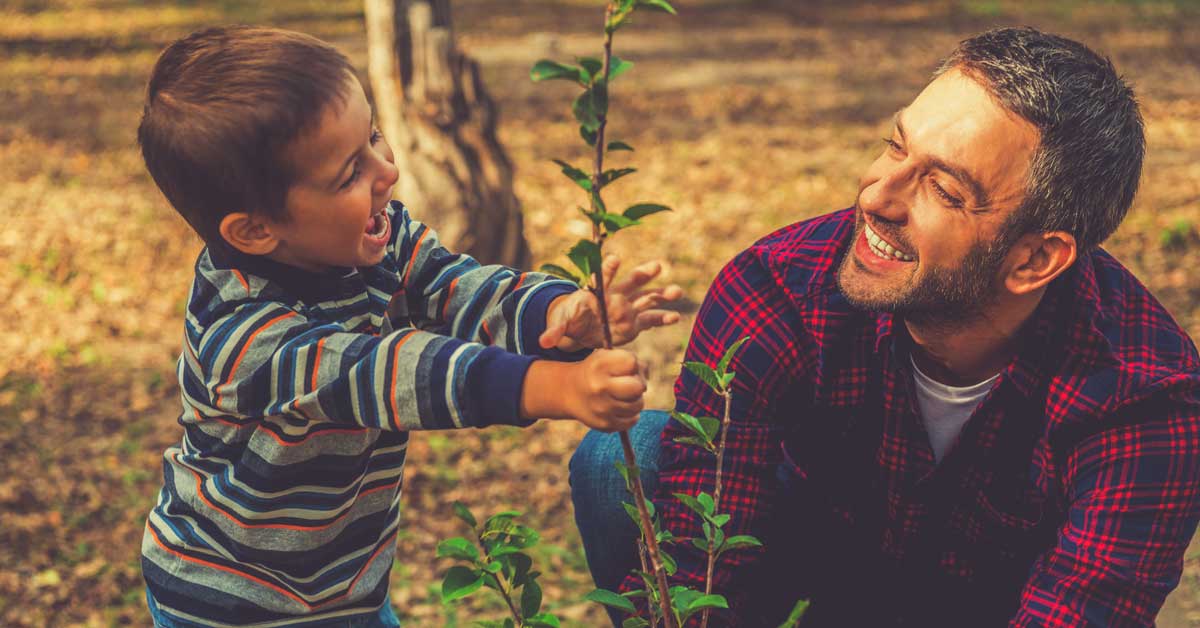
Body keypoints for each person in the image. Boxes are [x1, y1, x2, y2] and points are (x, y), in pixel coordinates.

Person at [571, 26, 1200, 627]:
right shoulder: (777, 291)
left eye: (944, 190)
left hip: (998, 606)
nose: (877, 196)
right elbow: (703, 571)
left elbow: (1076, 612)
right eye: (897, 146)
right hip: (817, 582)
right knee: (620, 459)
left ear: (1035, 259)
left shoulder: (1146, 394)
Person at [136, 25, 682, 627]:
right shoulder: (243, 338)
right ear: (257, 231)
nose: (386, 171)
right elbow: (390, 372)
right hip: (230, 604)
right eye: (349, 173)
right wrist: (554, 387)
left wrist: (558, 315)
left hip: (346, 589)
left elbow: (459, 288)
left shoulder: (378, 238)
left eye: (373, 136)